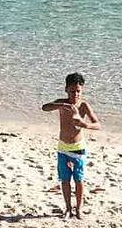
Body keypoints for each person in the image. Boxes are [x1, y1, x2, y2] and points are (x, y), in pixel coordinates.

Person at [41, 71, 101, 219]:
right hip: (63, 147)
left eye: (78, 91)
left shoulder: (84, 106)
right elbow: (45, 107)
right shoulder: (62, 104)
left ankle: (79, 209)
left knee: (79, 180)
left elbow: (97, 124)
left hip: (78, 148)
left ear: (82, 90)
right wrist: (61, 105)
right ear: (66, 89)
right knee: (65, 179)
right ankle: (68, 208)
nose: (75, 95)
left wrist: (84, 124)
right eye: (72, 91)